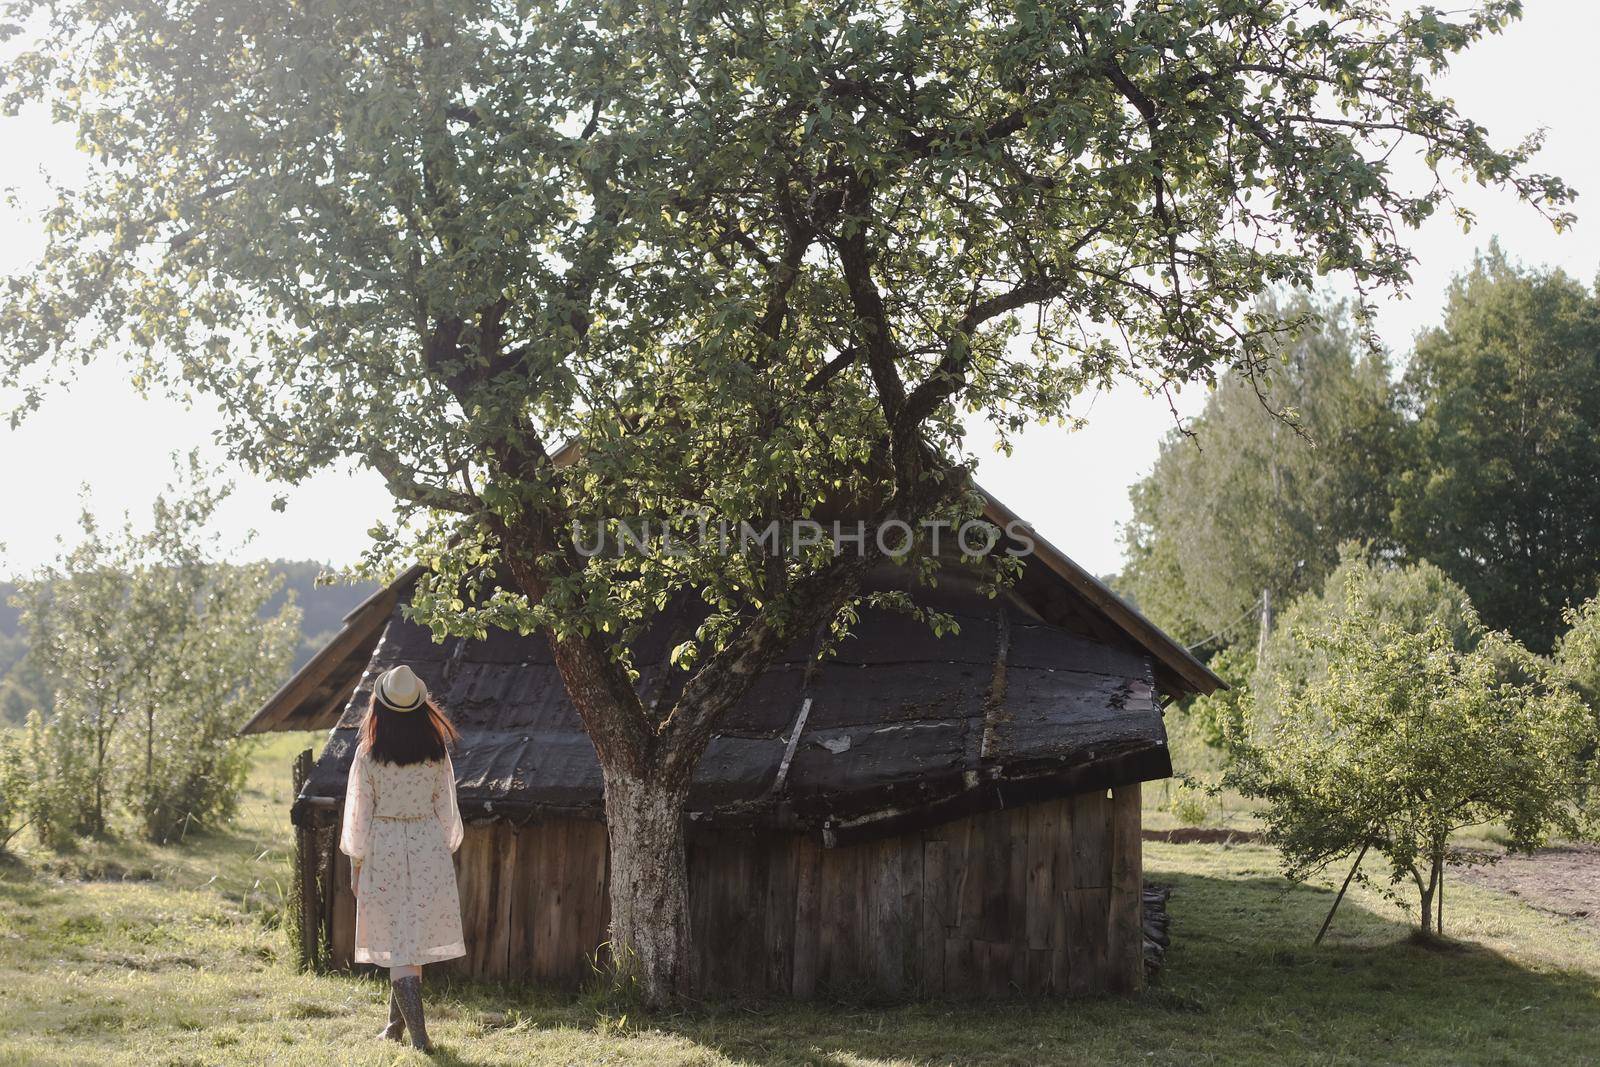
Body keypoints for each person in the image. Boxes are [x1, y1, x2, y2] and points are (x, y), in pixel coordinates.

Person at [339, 663, 465, 1053]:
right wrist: (441, 848)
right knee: (409, 940)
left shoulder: (369, 754)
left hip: (386, 846)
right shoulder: (435, 752)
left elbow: (358, 814)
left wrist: (356, 863)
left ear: (380, 707)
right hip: (427, 843)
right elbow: (446, 807)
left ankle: (420, 1039)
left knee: (399, 941)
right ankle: (394, 1026)